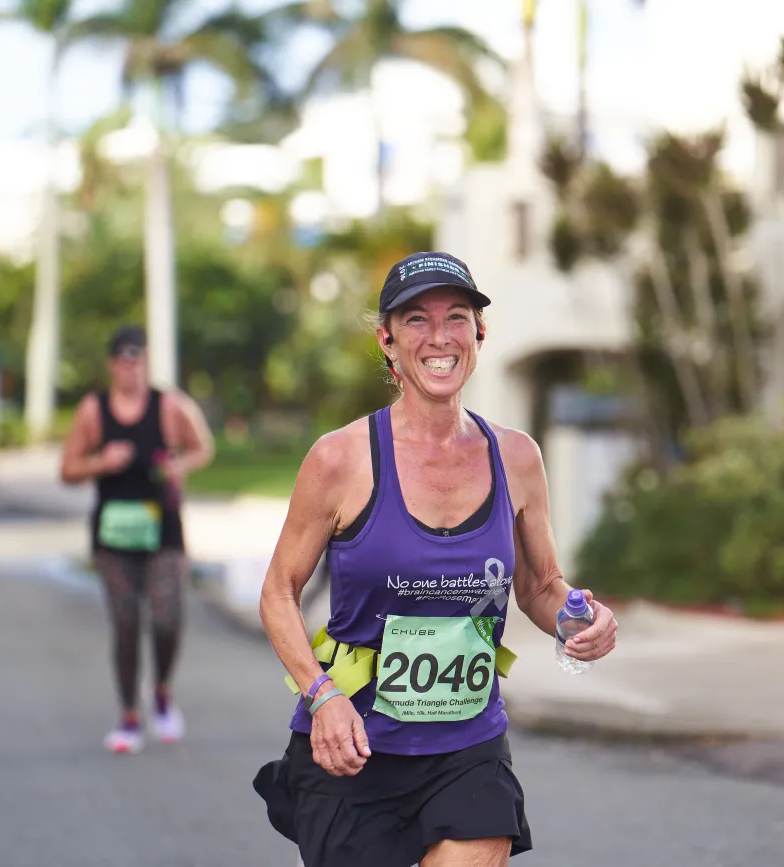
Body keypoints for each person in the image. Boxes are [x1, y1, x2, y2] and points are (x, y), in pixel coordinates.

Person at [253, 252, 619, 866]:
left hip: (467, 749)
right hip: (355, 744)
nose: (439, 337)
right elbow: (278, 592)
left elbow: (540, 584)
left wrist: (578, 621)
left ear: (479, 333)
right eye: (416, 320)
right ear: (387, 341)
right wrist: (321, 695)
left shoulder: (517, 457)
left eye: (456, 316)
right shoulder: (340, 459)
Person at [59, 325, 214, 754]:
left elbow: (204, 446)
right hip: (113, 535)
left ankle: (161, 691)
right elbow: (67, 469)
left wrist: (179, 466)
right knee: (126, 623)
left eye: (139, 360)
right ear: (112, 365)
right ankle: (129, 715)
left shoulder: (168, 406)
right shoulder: (94, 411)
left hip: (162, 531)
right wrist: (101, 462)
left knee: (166, 619)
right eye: (125, 361)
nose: (132, 369)